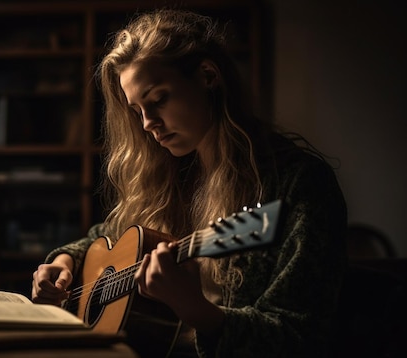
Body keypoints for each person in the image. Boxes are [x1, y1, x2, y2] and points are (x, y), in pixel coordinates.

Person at [31, 9, 347, 357]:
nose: (149, 123)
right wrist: (64, 262)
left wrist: (197, 310)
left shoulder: (299, 186)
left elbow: (299, 339)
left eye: (158, 99)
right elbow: (101, 238)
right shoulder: (171, 174)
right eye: (137, 111)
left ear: (208, 75)